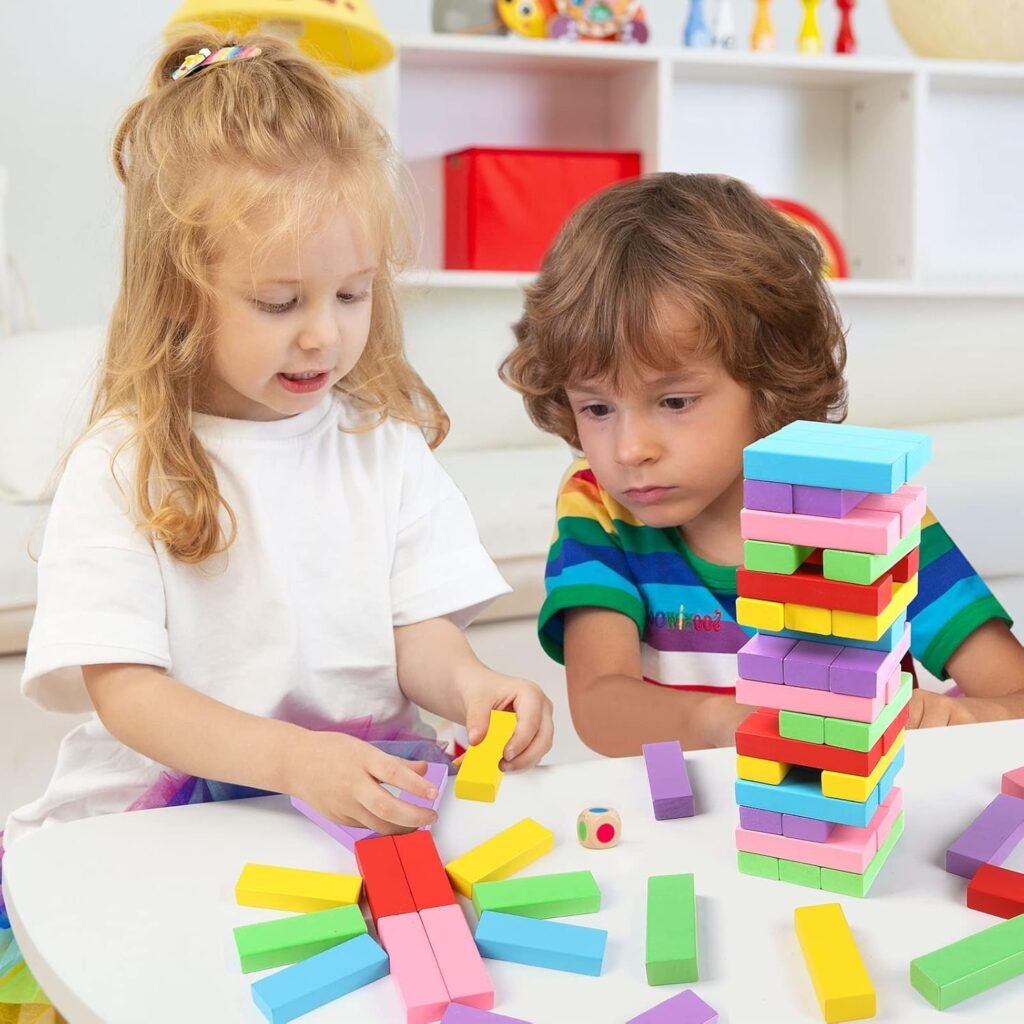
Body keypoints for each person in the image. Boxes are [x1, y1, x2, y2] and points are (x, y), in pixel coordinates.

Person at [0, 33, 553, 1013]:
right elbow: (127, 692)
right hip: (173, 800)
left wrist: (472, 684)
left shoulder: (378, 447)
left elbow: (416, 630)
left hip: (358, 790)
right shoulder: (125, 463)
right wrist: (290, 757)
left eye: (350, 293)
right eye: (278, 300)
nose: (323, 333)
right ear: (179, 295)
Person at [500, 172, 1024, 757]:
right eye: (597, 407)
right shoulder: (598, 505)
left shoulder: (863, 511)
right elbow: (600, 704)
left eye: (674, 402)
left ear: (768, 384)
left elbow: (1015, 695)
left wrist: (962, 717)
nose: (629, 450)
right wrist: (731, 725)